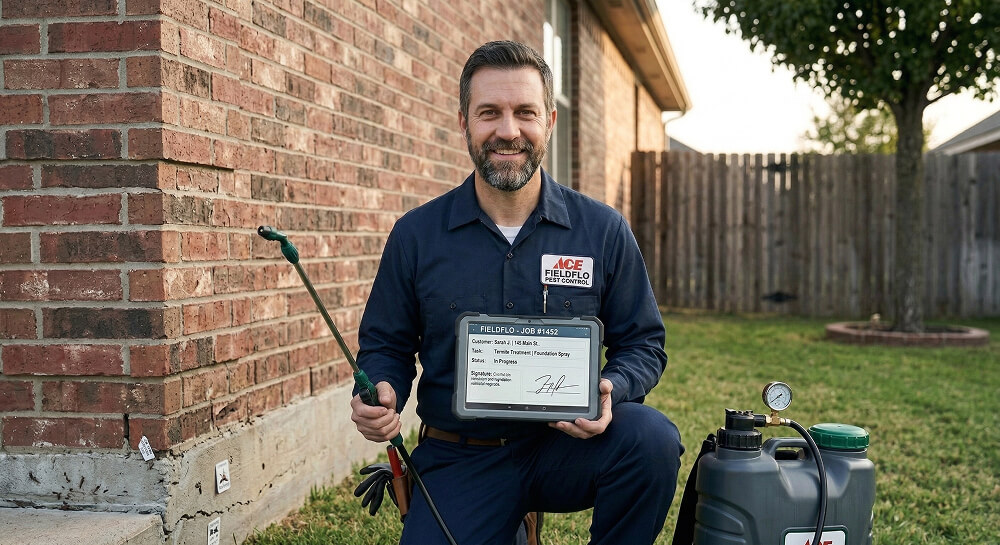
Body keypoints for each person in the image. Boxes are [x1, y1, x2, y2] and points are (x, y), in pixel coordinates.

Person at [350, 40, 683, 545]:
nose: (508, 131)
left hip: (565, 449)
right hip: (461, 456)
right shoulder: (416, 236)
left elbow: (644, 343)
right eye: (489, 113)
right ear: (464, 122)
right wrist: (380, 389)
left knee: (651, 439)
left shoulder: (602, 231)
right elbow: (385, 345)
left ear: (549, 121)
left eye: (525, 112)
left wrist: (613, 388)